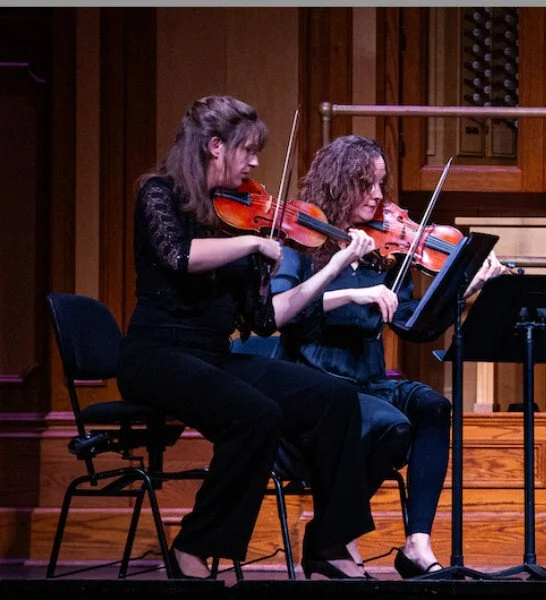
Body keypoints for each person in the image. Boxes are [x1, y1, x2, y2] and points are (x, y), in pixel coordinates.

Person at [117, 96, 383, 580]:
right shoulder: (159, 193)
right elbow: (178, 256)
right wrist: (254, 244)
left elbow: (267, 318)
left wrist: (335, 268)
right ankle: (192, 548)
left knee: (333, 396)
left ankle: (327, 544)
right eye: (248, 150)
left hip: (214, 356)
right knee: (256, 415)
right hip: (156, 355)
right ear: (215, 147)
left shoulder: (238, 213)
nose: (256, 162)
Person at [272, 135, 506, 578]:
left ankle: (416, 542)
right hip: (317, 385)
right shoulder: (300, 244)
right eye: (367, 184)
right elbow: (280, 313)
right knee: (392, 426)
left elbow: (413, 326)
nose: (379, 196)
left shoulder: (382, 254)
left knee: (434, 407)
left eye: (381, 184)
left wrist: (466, 289)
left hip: (369, 381)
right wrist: (348, 291)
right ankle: (330, 534)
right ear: (339, 184)